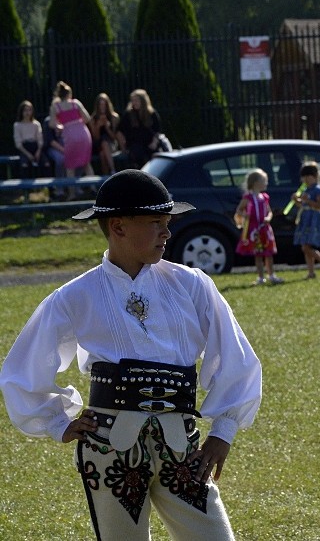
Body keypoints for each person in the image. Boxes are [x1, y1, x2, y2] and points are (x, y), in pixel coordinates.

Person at [0, 169, 263, 540]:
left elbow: (235, 355)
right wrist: (58, 422)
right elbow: (22, 369)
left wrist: (224, 429)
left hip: (180, 447)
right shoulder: (75, 296)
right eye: (156, 222)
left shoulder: (191, 284)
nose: (167, 233)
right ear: (119, 227)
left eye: (168, 222)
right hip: (110, 447)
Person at [234, 168, 282, 285]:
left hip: (264, 229)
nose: (266, 183)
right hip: (254, 230)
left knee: (269, 253)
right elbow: (239, 210)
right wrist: (245, 215)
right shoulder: (248, 198)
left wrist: (268, 218)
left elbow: (269, 211)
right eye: (264, 181)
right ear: (256, 183)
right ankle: (261, 277)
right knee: (258, 254)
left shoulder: (264, 197)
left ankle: (271, 275)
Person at [292, 162, 320, 279]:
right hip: (305, 218)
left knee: (307, 247)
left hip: (313, 219)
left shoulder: (317, 190)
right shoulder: (306, 189)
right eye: (303, 177)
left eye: (307, 176)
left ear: (315, 176)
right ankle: (311, 272)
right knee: (306, 246)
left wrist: (308, 201)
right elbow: (302, 204)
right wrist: (297, 200)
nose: (305, 179)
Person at [49, 81, 94, 182]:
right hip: (83, 133)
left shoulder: (55, 107)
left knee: (70, 165)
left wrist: (61, 125)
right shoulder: (76, 103)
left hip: (69, 135)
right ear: (69, 93)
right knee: (87, 163)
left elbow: (52, 124)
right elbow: (87, 118)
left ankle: (72, 193)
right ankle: (94, 188)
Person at [117, 89, 162, 169]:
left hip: (150, 144)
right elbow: (119, 131)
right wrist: (123, 148)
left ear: (143, 101)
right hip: (135, 145)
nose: (134, 103)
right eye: (133, 100)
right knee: (138, 155)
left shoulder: (151, 113)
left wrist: (154, 142)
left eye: (136, 100)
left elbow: (157, 130)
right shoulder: (128, 114)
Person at [89, 92, 120, 175]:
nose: (102, 107)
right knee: (103, 144)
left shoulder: (114, 117)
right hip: (98, 145)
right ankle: (112, 171)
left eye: (104, 104)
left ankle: (107, 176)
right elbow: (95, 138)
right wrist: (98, 126)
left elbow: (114, 137)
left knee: (103, 154)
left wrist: (107, 127)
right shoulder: (93, 119)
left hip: (111, 144)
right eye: (100, 105)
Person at [13, 100, 44, 178]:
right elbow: (18, 143)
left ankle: (49, 188)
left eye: (29, 110)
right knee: (24, 165)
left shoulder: (36, 124)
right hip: (24, 148)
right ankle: (26, 189)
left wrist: (38, 151)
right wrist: (27, 154)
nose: (27, 113)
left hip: (36, 147)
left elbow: (40, 139)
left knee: (46, 163)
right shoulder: (17, 125)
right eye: (25, 110)